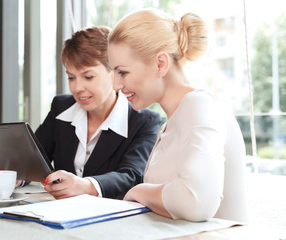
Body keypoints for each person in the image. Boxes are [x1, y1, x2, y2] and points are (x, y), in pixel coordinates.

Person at [0, 26, 161, 200]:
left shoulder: (144, 121)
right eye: (71, 77)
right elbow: (34, 161)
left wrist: (86, 186)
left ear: (114, 72)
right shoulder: (61, 107)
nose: (77, 88)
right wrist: (14, 175)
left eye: (88, 77)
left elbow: (132, 176)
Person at [107, 9, 249, 223]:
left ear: (160, 64)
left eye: (123, 72)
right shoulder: (174, 121)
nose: (116, 85)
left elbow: (196, 202)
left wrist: (139, 191)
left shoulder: (198, 105)